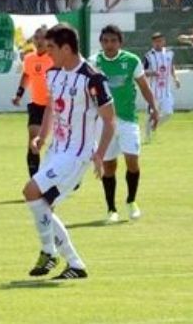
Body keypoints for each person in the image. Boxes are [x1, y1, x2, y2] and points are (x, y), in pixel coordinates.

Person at [23, 24, 115, 280]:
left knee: (31, 192)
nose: (46, 51)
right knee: (43, 205)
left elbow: (109, 120)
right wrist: (42, 135)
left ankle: (50, 252)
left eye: (51, 47)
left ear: (66, 48)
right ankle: (74, 263)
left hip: (77, 154)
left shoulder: (93, 78)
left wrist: (100, 154)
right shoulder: (54, 73)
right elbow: (52, 107)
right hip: (56, 151)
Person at [90, 25, 159, 224]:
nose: (109, 45)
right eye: (105, 41)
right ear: (101, 42)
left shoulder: (131, 61)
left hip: (128, 119)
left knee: (132, 161)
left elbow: (144, 86)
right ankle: (111, 209)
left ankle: (131, 201)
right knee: (109, 166)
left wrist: (153, 107)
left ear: (120, 42)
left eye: (113, 41)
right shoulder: (94, 62)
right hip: (104, 122)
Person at [12, 27, 54, 177]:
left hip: (55, 107)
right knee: (33, 142)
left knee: (59, 143)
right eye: (36, 37)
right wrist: (19, 95)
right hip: (37, 105)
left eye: (42, 37)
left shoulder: (54, 58)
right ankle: (35, 179)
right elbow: (26, 75)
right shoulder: (29, 58)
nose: (39, 41)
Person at [143, 33, 180, 142]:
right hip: (153, 91)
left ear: (164, 41)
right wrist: (152, 73)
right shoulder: (148, 56)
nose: (158, 44)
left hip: (166, 91)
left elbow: (172, 67)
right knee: (151, 114)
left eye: (160, 41)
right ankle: (147, 137)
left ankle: (153, 126)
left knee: (168, 113)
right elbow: (142, 72)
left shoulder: (169, 53)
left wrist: (176, 78)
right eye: (156, 42)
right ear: (153, 43)